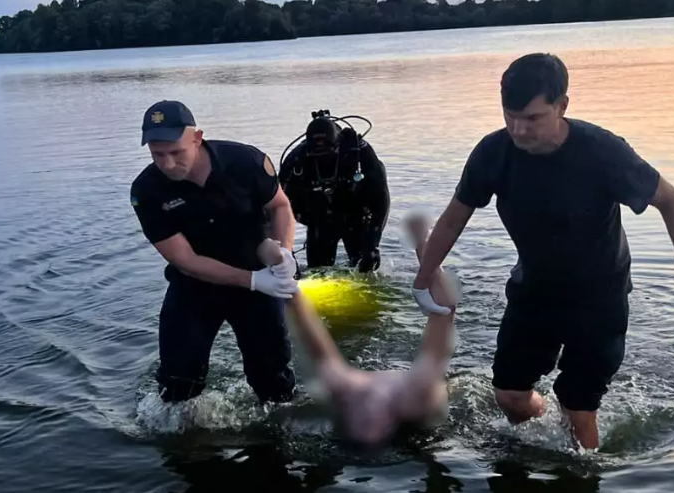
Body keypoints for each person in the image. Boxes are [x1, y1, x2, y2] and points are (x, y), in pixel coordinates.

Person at [409, 53, 674, 451]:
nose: (519, 129)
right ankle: (548, 434)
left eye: (533, 118)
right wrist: (423, 279)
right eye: (510, 115)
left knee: (578, 409)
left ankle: (580, 466)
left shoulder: (602, 152)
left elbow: (672, 202)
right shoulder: (493, 153)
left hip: (599, 297)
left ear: (562, 106)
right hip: (535, 290)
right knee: (509, 395)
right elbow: (453, 218)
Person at [129, 100, 303, 404]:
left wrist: (284, 253)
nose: (168, 164)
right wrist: (251, 280)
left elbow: (280, 206)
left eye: (176, 152)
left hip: (259, 276)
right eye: (158, 155)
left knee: (273, 380)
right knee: (178, 383)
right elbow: (185, 260)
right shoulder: (147, 191)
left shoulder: (245, 161)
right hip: (195, 287)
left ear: (197, 138)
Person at [270, 210, 460, 448]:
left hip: (380, 384)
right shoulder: (418, 398)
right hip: (404, 388)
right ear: (390, 423)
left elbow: (312, 335)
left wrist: (281, 270)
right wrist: (422, 242)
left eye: (363, 424)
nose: (370, 422)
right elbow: (445, 312)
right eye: (373, 426)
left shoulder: (344, 388)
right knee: (435, 381)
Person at [278, 110, 391, 273]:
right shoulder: (297, 158)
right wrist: (285, 251)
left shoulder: (358, 152)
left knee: (367, 267)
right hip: (319, 220)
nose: (322, 155)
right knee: (318, 274)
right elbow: (276, 203)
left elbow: (381, 198)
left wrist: (372, 243)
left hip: (356, 216)